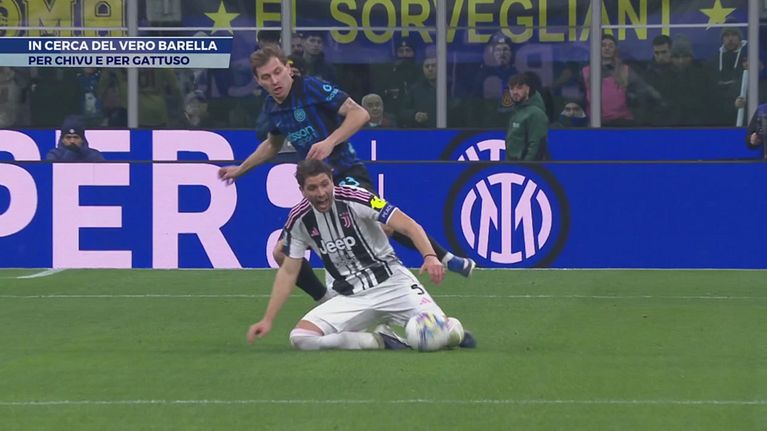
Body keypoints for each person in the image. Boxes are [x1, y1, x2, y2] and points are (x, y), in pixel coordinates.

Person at [218, 46, 475, 303]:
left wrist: (330, 142)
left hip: (347, 174)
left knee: (384, 222)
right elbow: (272, 145)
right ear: (258, 81)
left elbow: (360, 113)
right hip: (318, 188)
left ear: (288, 68)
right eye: (266, 77)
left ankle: (444, 258)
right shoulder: (271, 107)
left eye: (277, 72)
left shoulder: (310, 88)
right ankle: (327, 302)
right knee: (281, 253)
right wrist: (240, 170)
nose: (274, 81)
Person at [246, 159, 475, 351]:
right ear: (302, 190)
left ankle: (452, 330)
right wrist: (268, 319)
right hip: (350, 297)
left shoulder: (358, 197)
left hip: (394, 284)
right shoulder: (298, 220)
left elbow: (408, 225)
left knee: (437, 335)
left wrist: (430, 256)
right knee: (301, 338)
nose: (321, 193)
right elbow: (288, 272)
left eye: (325, 184)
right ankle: (378, 341)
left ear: (332, 180)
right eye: (313, 188)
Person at [505, 73, 550, 161]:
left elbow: (536, 145)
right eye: (512, 88)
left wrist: (526, 166)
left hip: (525, 167)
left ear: (528, 89)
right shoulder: (517, 112)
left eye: (519, 88)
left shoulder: (536, 113)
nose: (515, 92)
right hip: (514, 165)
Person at [711, 27, 747, 125]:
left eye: (734, 34)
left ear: (739, 38)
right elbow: (711, 90)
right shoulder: (714, 61)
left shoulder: (749, 57)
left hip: (744, 117)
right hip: (719, 117)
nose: (730, 38)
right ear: (722, 39)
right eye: (726, 35)